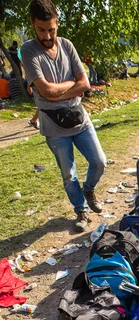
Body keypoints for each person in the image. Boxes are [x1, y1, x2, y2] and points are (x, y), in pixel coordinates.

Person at [21, 0, 107, 233]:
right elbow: (45, 91)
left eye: (51, 29)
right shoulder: (28, 51)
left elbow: (84, 84)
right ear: (32, 24)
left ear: (57, 23)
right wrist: (70, 85)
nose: (47, 35)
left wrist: (58, 91)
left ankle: (89, 189)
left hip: (79, 118)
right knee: (69, 175)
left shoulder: (67, 46)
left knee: (99, 162)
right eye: (41, 30)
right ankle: (81, 210)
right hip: (53, 125)